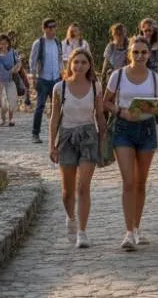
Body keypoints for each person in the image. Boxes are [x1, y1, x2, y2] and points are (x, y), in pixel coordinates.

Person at [104, 36, 158, 250]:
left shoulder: (155, 78)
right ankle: (128, 232)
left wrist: (152, 109)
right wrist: (120, 111)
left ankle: (137, 227)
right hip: (124, 129)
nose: (140, 56)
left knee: (140, 182)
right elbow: (105, 101)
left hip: (147, 129)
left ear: (149, 54)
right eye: (136, 52)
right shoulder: (118, 75)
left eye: (143, 52)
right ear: (129, 53)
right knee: (128, 181)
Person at [49, 48, 106, 250]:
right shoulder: (60, 88)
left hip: (89, 136)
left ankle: (82, 231)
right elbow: (55, 117)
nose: (80, 66)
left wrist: (103, 140)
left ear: (89, 65)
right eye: (76, 62)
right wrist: (52, 145)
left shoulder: (95, 86)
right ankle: (70, 217)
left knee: (83, 187)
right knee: (67, 191)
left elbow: (100, 115)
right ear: (70, 64)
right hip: (66, 137)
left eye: (84, 62)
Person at [29, 19, 63, 145]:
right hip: (43, 78)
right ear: (44, 28)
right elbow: (32, 61)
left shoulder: (57, 42)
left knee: (58, 108)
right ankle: (35, 133)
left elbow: (60, 59)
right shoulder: (39, 43)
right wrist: (33, 77)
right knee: (40, 107)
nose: (53, 30)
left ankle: (58, 134)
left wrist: (62, 73)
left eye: (54, 27)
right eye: (50, 27)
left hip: (56, 79)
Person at [0, 33, 21, 127]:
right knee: (3, 102)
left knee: (12, 99)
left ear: (8, 43)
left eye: (5, 43)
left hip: (11, 79)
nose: (4, 45)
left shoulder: (13, 52)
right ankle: (3, 119)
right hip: (0, 80)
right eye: (1, 43)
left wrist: (17, 68)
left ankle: (10, 119)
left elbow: (19, 62)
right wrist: (9, 70)